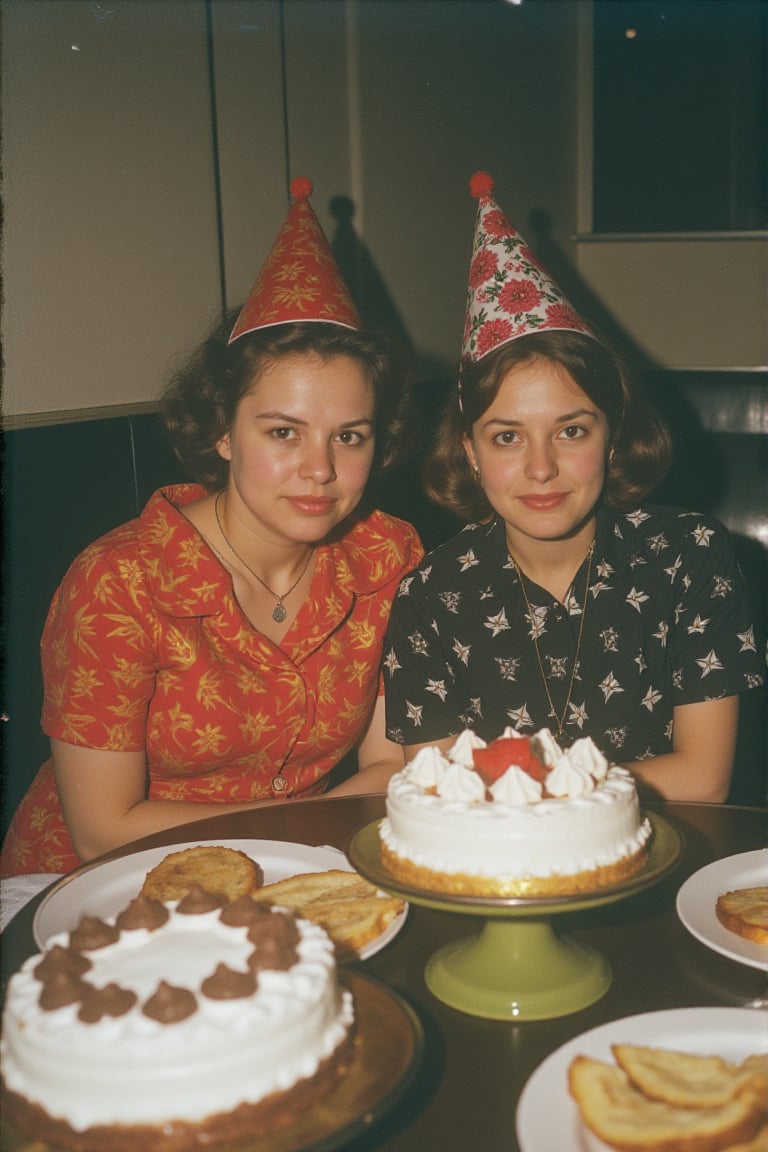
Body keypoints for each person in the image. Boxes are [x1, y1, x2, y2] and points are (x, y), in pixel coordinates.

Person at [1, 178, 423, 876]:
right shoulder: (120, 582)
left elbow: (388, 764)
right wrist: (306, 836)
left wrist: (306, 852)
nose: (319, 469)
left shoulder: (389, 554)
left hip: (302, 864)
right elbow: (105, 830)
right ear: (222, 431)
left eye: (350, 436)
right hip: (100, 886)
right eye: (283, 432)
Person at [383, 172, 764, 803]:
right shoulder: (430, 595)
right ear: (470, 452)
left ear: (612, 438)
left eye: (571, 431)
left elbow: (702, 780)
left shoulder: (691, 557)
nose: (540, 468)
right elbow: (435, 791)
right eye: (507, 437)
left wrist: (524, 792)